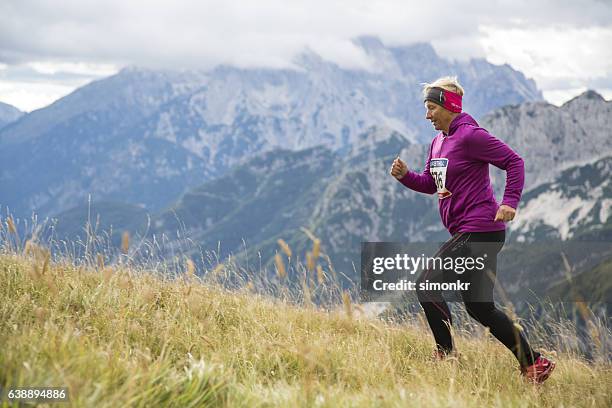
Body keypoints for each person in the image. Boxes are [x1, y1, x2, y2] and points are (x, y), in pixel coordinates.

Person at [389, 76, 555, 384]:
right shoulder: (438, 141)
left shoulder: (470, 136)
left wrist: (509, 202)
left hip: (480, 231)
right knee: (480, 308)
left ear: (448, 106)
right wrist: (405, 176)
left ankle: (446, 357)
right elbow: (430, 183)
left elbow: (514, 162)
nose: (427, 116)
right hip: (467, 232)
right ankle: (535, 363)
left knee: (427, 284)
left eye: (430, 108)